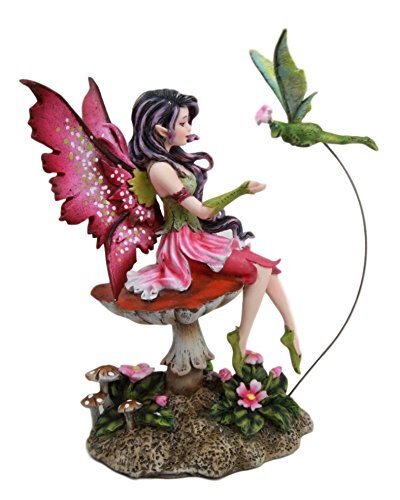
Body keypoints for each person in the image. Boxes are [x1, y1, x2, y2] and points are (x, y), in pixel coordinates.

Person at [125, 89, 301, 374]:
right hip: (183, 248)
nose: (189, 129)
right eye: (182, 123)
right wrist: (240, 190)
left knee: (268, 267)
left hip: (197, 237)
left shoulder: (173, 160)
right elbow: (203, 212)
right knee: (259, 270)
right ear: (161, 129)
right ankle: (241, 341)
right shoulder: (159, 169)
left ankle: (291, 331)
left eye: (188, 122)